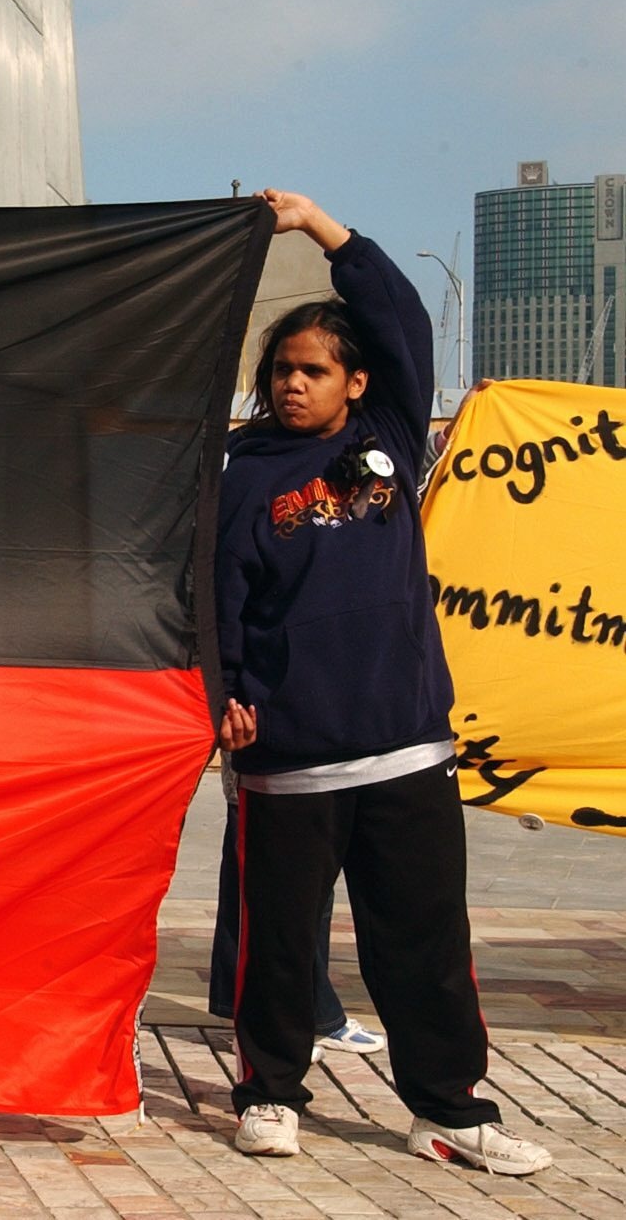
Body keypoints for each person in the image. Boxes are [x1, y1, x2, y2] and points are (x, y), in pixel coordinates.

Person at [212, 189, 551, 1174]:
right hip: (287, 763)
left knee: (423, 944)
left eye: (311, 370)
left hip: (406, 749)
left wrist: (323, 231)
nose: (289, 385)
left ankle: (448, 1109)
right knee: (277, 946)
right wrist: (223, 698)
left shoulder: (392, 441)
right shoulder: (239, 472)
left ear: (353, 381)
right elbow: (219, 597)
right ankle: (268, 1094)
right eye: (278, 370)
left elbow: (399, 318)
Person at [208, 753, 383, 1059]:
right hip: (264, 771)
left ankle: (311, 1015)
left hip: (318, 773)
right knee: (261, 898)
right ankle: (261, 1026)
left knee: (312, 897)